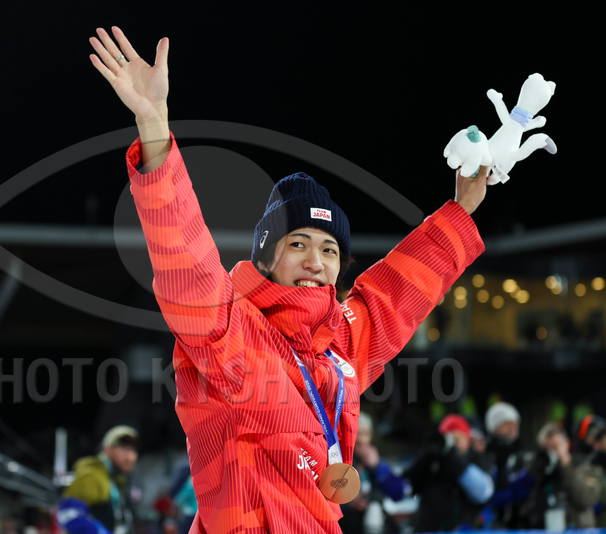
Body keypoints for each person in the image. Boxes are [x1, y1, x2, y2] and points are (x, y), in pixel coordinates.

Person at [88, 26, 487, 533]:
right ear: (267, 258)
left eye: (329, 249)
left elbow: (397, 294)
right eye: (298, 244)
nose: (316, 260)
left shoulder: (341, 345)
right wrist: (153, 126)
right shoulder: (229, 331)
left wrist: (461, 210)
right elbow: (187, 262)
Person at [402, 414, 494, 532]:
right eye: (449, 439)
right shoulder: (433, 460)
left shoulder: (475, 460)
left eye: (457, 439)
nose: (454, 444)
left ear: (467, 440)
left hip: (465, 528)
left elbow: (483, 493)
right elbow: (405, 487)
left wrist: (455, 462)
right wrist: (425, 458)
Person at [516, 422, 605, 529]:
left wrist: (566, 464)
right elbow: (519, 495)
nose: (551, 452)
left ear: (567, 444)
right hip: (543, 527)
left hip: (578, 528)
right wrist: (536, 468)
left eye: (555, 447)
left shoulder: (586, 466)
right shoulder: (537, 468)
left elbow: (586, 499)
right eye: (546, 448)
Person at [63, 425, 140, 534]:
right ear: (106, 449)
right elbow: (68, 514)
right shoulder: (92, 474)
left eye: (133, 450)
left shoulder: (119, 480)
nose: (130, 457)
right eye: (124, 448)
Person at [340, 413, 408, 534]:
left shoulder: (378, 464)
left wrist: (377, 466)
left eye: (365, 434)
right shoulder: (339, 462)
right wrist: (347, 502)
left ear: (370, 437)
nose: (360, 440)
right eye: (356, 434)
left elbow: (399, 493)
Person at [483, 401, 534, 527]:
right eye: (507, 424)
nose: (513, 427)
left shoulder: (522, 453)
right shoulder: (486, 454)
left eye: (515, 423)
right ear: (494, 427)